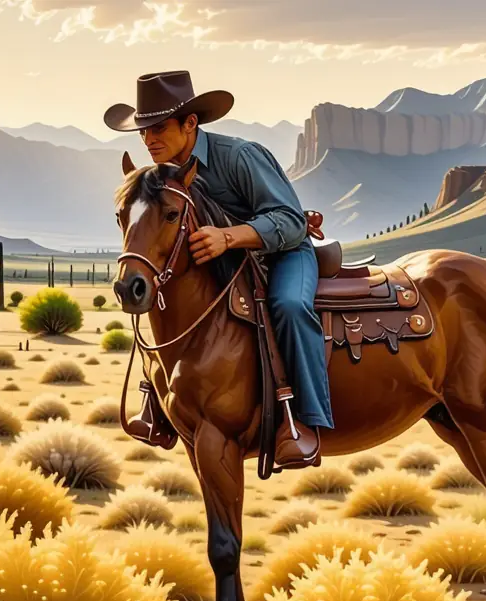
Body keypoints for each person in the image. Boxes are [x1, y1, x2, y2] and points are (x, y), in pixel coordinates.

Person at [105, 70, 331, 469]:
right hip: (223, 261)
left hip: (282, 254)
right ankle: (158, 400)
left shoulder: (240, 156)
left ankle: (304, 422)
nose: (149, 140)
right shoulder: (158, 178)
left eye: (158, 128)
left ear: (190, 123)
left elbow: (291, 220)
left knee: (291, 306)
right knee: (161, 300)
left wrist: (228, 237)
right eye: (143, 132)